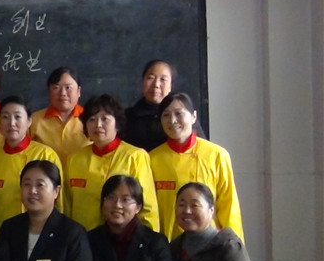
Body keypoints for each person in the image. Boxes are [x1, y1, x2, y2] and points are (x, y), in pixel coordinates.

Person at [149, 92, 243, 241]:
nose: (172, 120)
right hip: (168, 244)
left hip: (211, 244)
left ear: (193, 116)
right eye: (166, 115)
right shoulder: (152, 159)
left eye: (179, 113)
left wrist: (233, 245)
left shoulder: (216, 155)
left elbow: (229, 206)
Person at [64, 94, 159, 232]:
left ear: (117, 124)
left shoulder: (135, 157)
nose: (98, 125)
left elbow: (148, 208)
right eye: (92, 119)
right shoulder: (74, 160)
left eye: (105, 119)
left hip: (123, 239)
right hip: (82, 238)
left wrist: (149, 240)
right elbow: (66, 206)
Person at [0, 96, 63, 238]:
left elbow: (59, 202)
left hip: (39, 236)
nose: (11, 123)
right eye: (5, 117)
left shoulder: (45, 155)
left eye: (18, 117)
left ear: (29, 121)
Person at [30, 67, 91, 168]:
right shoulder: (34, 120)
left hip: (82, 175)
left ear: (79, 91)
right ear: (49, 91)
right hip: (45, 176)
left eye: (68, 87)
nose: (62, 93)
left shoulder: (91, 119)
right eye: (56, 87)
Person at [121, 59, 175, 152]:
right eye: (151, 78)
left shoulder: (180, 116)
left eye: (163, 79)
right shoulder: (126, 117)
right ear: (142, 82)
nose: (156, 84)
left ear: (170, 86)